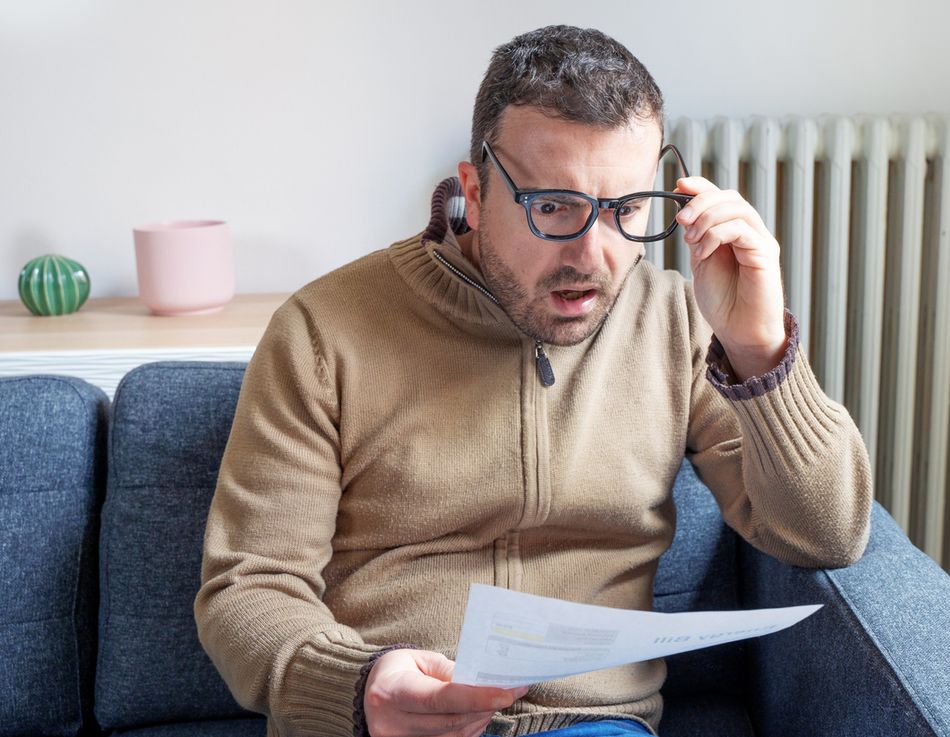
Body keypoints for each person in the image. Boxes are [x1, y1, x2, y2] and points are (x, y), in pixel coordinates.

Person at [195, 24, 872, 737]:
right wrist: (358, 687)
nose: (593, 255)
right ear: (475, 191)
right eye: (553, 207)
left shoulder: (677, 322)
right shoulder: (321, 330)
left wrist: (759, 350)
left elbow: (828, 533)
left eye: (626, 211)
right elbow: (250, 585)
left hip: (594, 724)